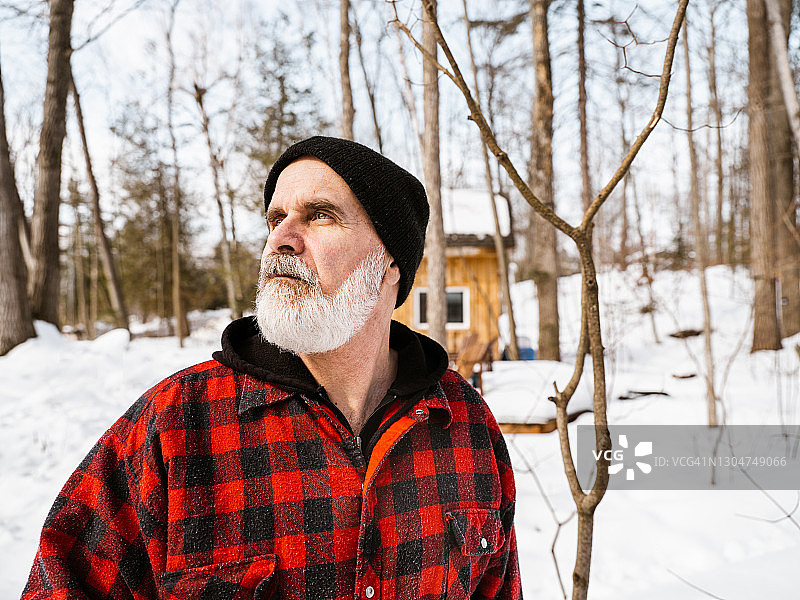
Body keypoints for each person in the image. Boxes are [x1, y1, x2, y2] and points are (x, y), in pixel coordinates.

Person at [22, 136, 521, 600]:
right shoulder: (176, 424)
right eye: (275, 218)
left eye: (320, 215)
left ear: (391, 263)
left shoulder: (465, 425)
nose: (281, 238)